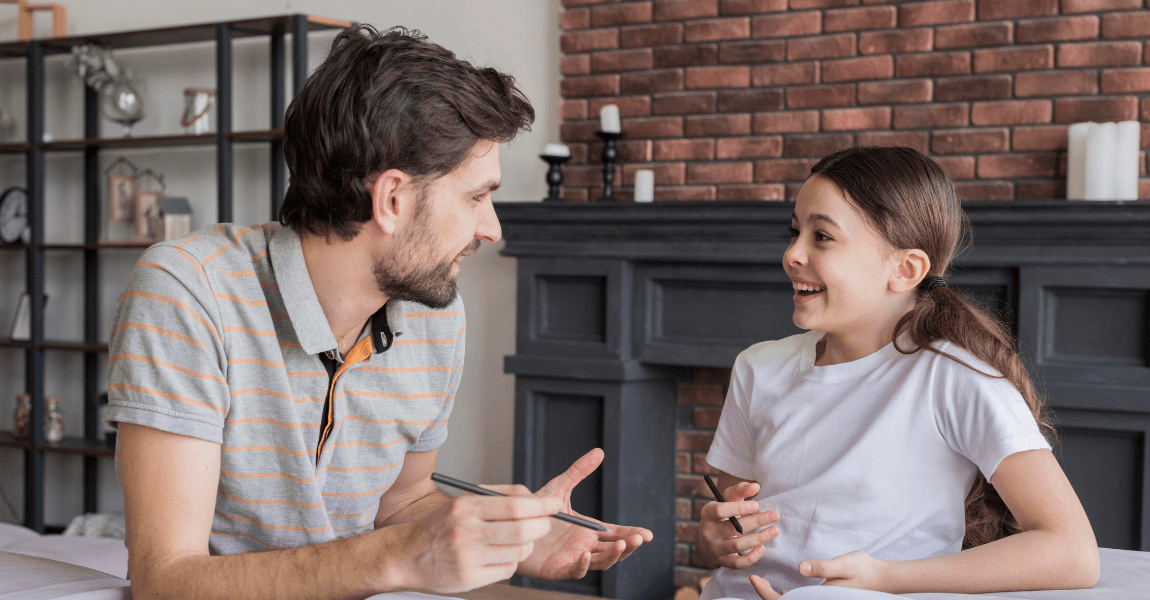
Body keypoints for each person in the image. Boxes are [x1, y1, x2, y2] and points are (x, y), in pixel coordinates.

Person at [105, 25, 650, 600]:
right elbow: (164, 581)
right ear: (391, 198)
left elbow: (403, 503)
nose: (492, 229)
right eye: (475, 197)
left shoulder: (434, 316)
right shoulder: (187, 293)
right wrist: (400, 555)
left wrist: (513, 542)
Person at [694, 146, 1099, 600]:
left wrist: (884, 578)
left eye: (821, 237)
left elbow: (1072, 551)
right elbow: (728, 524)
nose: (792, 254)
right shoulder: (758, 367)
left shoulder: (954, 378)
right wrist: (717, 540)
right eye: (794, 232)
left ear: (905, 269)